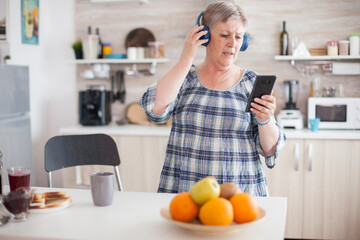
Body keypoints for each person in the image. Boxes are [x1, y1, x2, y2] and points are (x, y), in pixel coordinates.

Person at [140, 1, 286, 196]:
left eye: (239, 37)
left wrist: (265, 119)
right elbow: (154, 110)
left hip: (239, 195)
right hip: (187, 193)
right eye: (224, 35)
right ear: (205, 36)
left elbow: (269, 151)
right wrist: (186, 59)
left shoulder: (251, 82)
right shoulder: (186, 78)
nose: (232, 43)